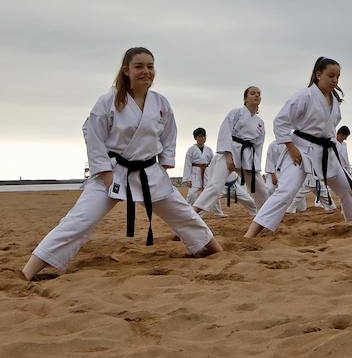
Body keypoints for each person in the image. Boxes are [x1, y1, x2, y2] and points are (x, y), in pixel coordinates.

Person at [22, 48, 222, 280]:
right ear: (126, 70)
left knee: (183, 214)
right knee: (79, 220)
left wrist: (164, 167)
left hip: (149, 173)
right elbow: (93, 138)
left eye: (150, 66)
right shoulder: (108, 101)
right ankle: (28, 271)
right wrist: (107, 177)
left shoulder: (160, 103)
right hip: (113, 172)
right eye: (139, 66)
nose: (146, 71)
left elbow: (169, 136)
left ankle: (218, 252)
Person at [245, 58, 352, 237]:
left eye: (338, 77)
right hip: (301, 150)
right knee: (286, 191)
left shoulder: (334, 100)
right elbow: (281, 122)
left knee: (347, 187)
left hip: (326, 152)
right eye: (331, 75)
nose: (335, 80)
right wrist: (291, 147)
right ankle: (251, 233)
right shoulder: (304, 95)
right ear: (318, 75)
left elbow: (330, 127)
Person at [193, 87, 269, 215]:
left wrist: (256, 164)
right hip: (232, 151)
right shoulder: (236, 113)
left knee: (260, 188)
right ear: (245, 98)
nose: (256, 95)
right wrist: (228, 156)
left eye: (259, 94)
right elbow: (225, 132)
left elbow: (258, 146)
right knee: (215, 186)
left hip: (248, 156)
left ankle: (266, 216)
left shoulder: (260, 123)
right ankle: (191, 214)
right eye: (252, 93)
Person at [182, 127, 225, 216]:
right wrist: (187, 179)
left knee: (213, 191)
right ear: (195, 138)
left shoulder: (209, 150)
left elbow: (213, 163)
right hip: (195, 172)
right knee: (192, 194)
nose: (202, 138)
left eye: (204, 136)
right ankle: (186, 212)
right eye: (200, 136)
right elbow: (187, 164)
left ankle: (218, 212)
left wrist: (215, 176)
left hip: (207, 172)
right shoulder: (191, 150)